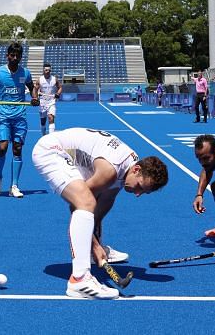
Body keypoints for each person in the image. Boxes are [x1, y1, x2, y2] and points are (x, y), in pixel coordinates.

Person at [31, 128, 169, 299]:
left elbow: (103, 203)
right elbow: (77, 206)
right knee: (85, 201)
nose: (138, 194)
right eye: (140, 186)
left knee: (90, 205)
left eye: (144, 192)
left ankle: (90, 254)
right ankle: (79, 280)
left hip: (75, 159)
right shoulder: (111, 170)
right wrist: (94, 246)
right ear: (137, 170)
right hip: (51, 151)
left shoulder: (128, 168)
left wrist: (96, 241)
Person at [0, 42, 38, 198]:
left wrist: (34, 97)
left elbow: (32, 88)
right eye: (12, 55)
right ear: (7, 55)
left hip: (20, 116)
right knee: (2, 148)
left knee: (17, 149)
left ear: (21, 57)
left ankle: (14, 186)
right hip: (3, 115)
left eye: (18, 56)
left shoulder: (25, 73)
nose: (15, 58)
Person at [36, 63, 62, 135]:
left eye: (49, 70)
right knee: (43, 121)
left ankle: (51, 137)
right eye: (46, 70)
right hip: (42, 102)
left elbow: (60, 87)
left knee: (51, 118)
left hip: (51, 101)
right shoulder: (40, 80)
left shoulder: (54, 79)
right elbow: (35, 89)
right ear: (43, 71)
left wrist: (58, 94)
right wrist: (35, 98)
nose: (48, 71)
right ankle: (43, 135)